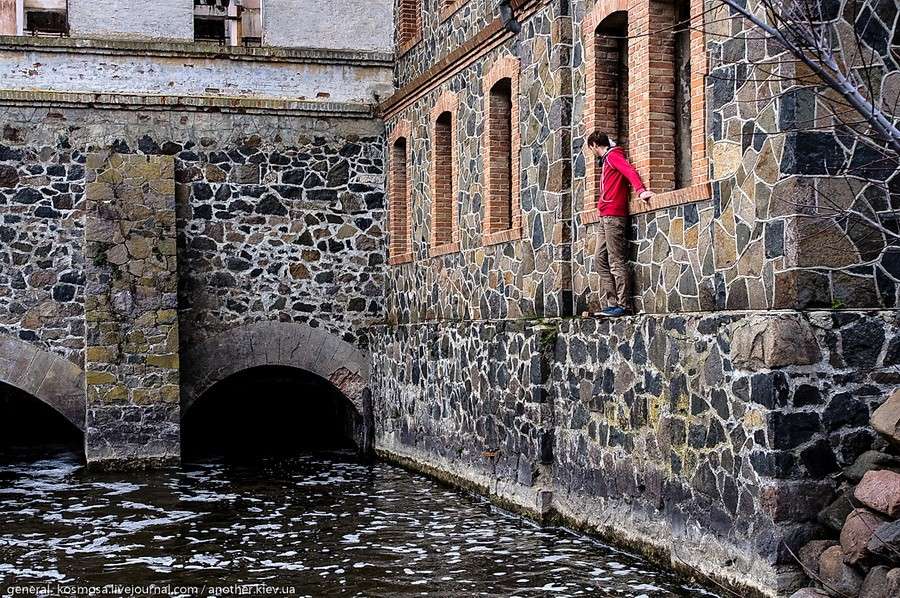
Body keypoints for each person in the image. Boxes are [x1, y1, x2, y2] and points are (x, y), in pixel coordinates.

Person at [586, 131, 654, 317]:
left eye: (591, 149)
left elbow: (629, 171)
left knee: (616, 261)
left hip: (614, 216)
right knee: (600, 259)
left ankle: (623, 306)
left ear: (593, 145)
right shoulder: (608, 158)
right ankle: (612, 303)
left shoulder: (613, 156)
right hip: (604, 215)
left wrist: (641, 191)